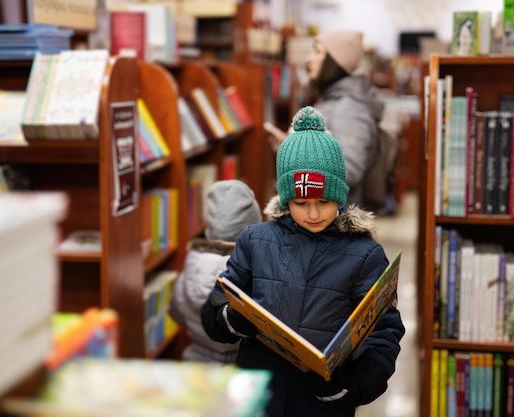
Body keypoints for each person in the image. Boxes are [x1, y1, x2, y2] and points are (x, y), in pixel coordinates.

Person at [202, 106, 405, 417]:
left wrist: (351, 385)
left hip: (322, 404)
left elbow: (383, 333)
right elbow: (215, 306)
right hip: (258, 399)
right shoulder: (255, 241)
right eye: (301, 202)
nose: (313, 213)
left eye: (323, 201)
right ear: (285, 198)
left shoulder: (364, 255)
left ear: (339, 194)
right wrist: (231, 318)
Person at [269, 30, 387, 211]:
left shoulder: (349, 108)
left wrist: (300, 153)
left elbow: (349, 171)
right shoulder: (334, 101)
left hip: (334, 223)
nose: (309, 59)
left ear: (334, 62)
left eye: (317, 52)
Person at [168, 179, 262, 363]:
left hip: (197, 366)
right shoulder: (254, 270)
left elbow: (176, 313)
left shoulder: (191, 263)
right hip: (243, 365)